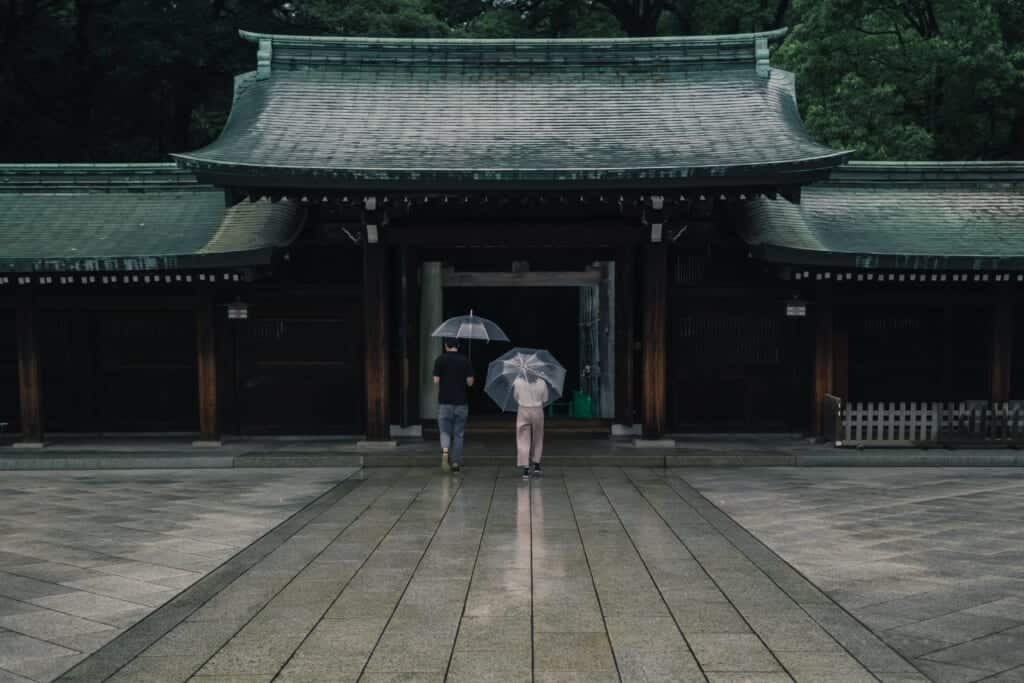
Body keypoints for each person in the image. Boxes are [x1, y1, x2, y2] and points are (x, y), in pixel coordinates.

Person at [433, 338, 474, 473]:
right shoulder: (465, 360)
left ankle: (445, 452)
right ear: (458, 346)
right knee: (458, 434)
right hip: (461, 402)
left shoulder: (440, 360)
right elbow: (470, 383)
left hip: (444, 401)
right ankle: (456, 462)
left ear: (446, 346)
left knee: (445, 431)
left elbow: (436, 380)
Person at [513, 373, 548, 479]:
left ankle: (526, 469)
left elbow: (515, 397)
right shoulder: (542, 382)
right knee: (538, 437)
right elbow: (545, 399)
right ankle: (537, 465)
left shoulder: (518, 381)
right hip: (537, 410)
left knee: (523, 439)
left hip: (523, 409)